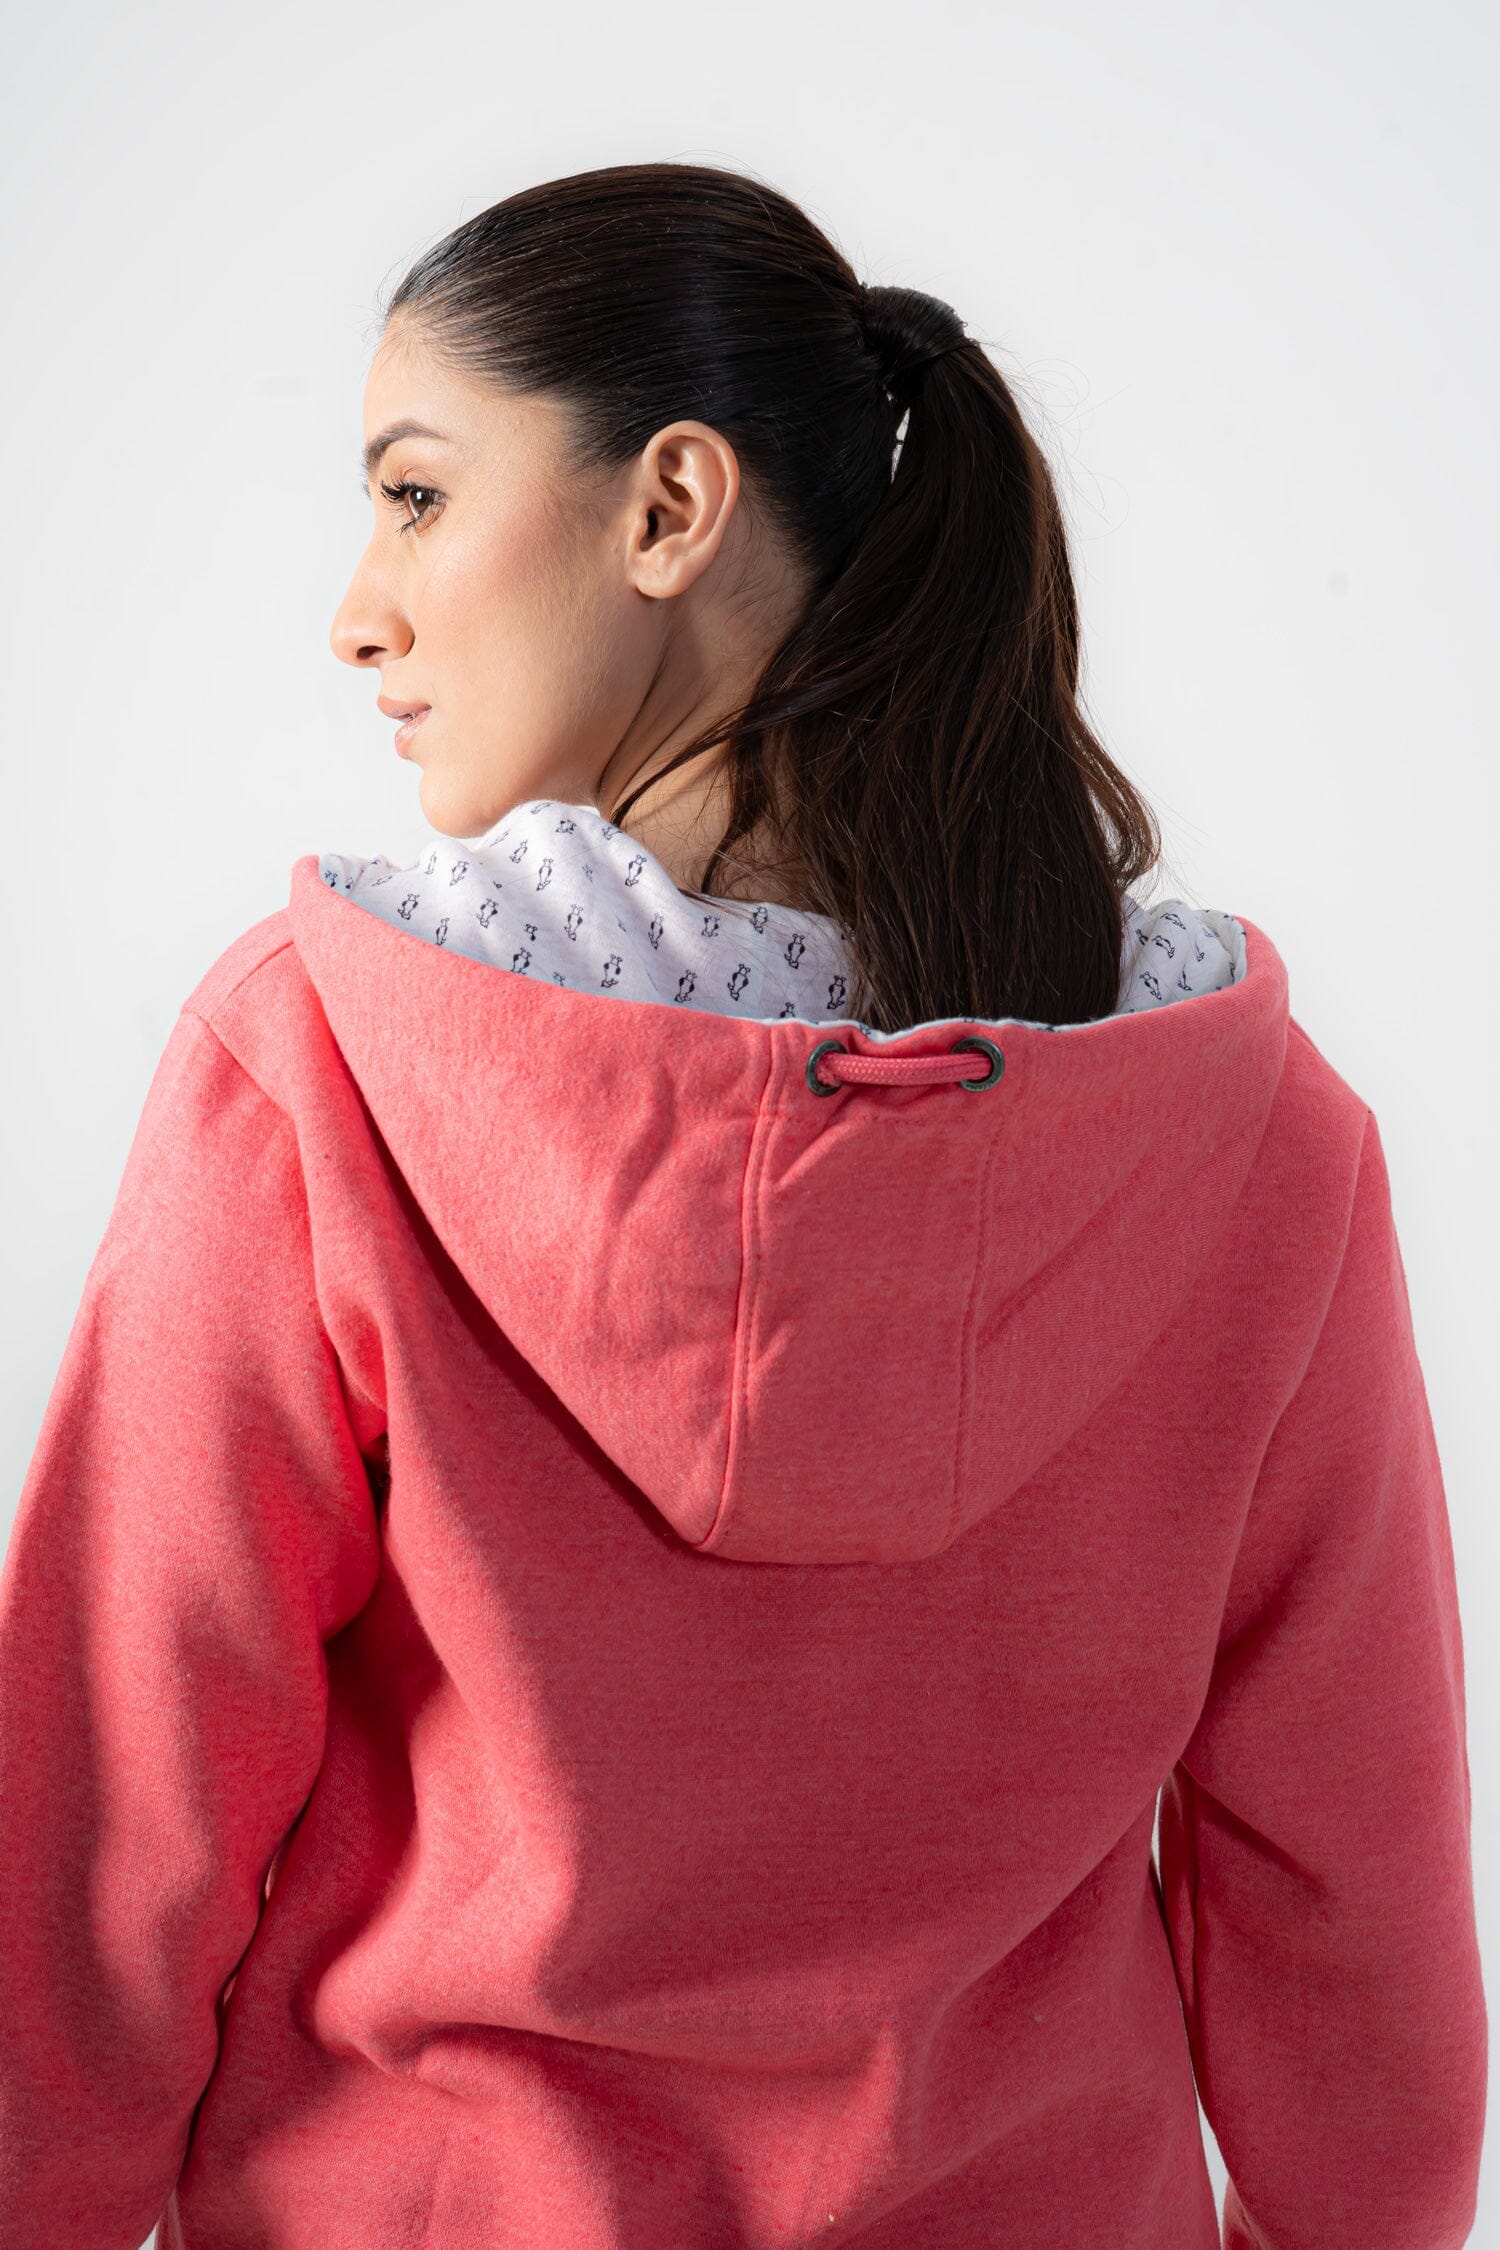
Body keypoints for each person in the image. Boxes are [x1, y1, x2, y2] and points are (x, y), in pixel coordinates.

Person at [0, 159, 1484, 2249]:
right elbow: (1346, 1875)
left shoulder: (320, 1073)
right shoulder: (1250, 1140)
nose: (358, 608)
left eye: (415, 494)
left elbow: (109, 1828)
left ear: (671, 507)